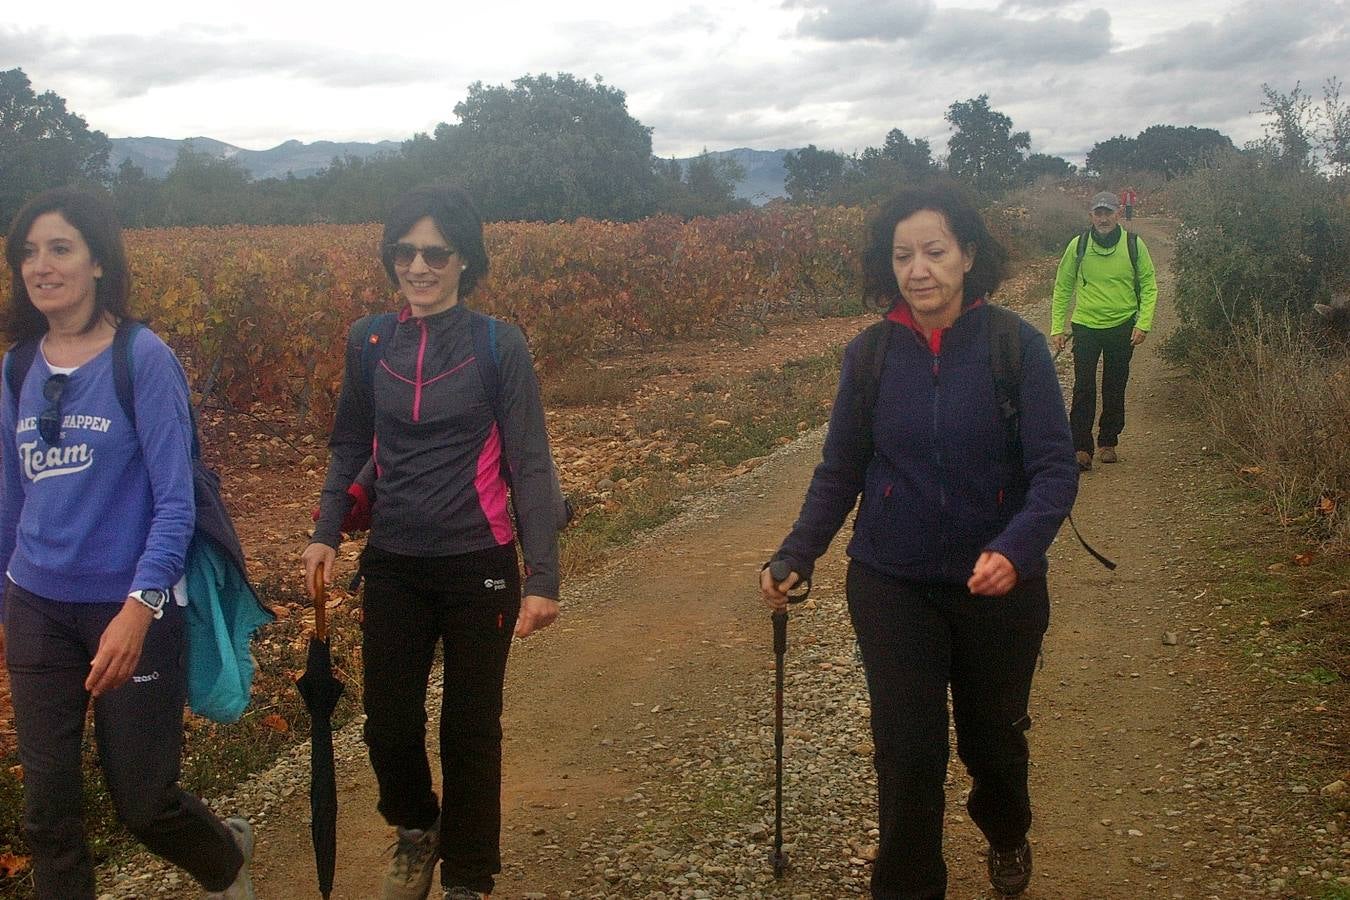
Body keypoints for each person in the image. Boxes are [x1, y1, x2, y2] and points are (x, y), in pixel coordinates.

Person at [761, 184, 1078, 899]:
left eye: (934, 251)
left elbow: (1055, 472)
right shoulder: (870, 356)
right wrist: (796, 552)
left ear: (968, 254)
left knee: (992, 742)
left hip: (998, 587)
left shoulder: (1013, 347)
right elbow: (840, 469)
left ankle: (1006, 829)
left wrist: (1016, 549)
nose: (919, 268)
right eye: (903, 255)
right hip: (891, 580)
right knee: (907, 753)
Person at [302, 184, 562, 900]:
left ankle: (469, 878)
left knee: (470, 728)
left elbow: (530, 461)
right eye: (404, 252)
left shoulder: (496, 344)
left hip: (478, 560)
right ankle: (416, 829)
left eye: (434, 253)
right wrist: (326, 531)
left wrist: (543, 575)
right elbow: (351, 440)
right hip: (394, 563)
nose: (417, 267)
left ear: (463, 262)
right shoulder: (370, 342)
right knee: (388, 724)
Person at [0, 187, 254, 899]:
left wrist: (138, 609)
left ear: (99, 262)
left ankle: (225, 861)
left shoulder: (141, 359)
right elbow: (10, 501)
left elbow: (175, 503)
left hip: (131, 605)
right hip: (38, 607)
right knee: (48, 811)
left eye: (59, 248)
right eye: (27, 252)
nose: (40, 266)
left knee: (143, 803)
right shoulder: (19, 368)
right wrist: (5, 609)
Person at [1050, 191, 1158, 471]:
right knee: (1083, 386)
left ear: (1118, 214)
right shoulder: (1079, 245)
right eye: (1098, 213)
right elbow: (1063, 286)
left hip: (1123, 325)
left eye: (1108, 213)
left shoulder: (1134, 245)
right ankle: (1081, 447)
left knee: (1114, 385)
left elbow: (1148, 285)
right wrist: (1057, 327)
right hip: (1085, 325)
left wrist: (1143, 323)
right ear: (1091, 216)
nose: (1103, 218)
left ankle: (1108, 442)